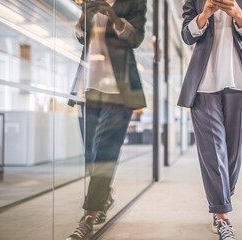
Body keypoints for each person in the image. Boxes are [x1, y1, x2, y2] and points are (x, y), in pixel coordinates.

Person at [178, 0, 242, 239]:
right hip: (203, 84)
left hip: (241, 83)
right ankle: (222, 216)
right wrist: (204, 13)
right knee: (212, 151)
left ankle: (221, 197)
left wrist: (237, 12)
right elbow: (187, 35)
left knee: (234, 152)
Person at [66, 0, 147, 239]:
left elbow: (136, 38)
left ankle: (89, 216)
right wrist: (84, 14)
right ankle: (104, 197)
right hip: (89, 87)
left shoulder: (134, 2)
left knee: (104, 152)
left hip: (120, 91)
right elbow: (81, 37)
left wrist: (111, 14)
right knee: (91, 155)